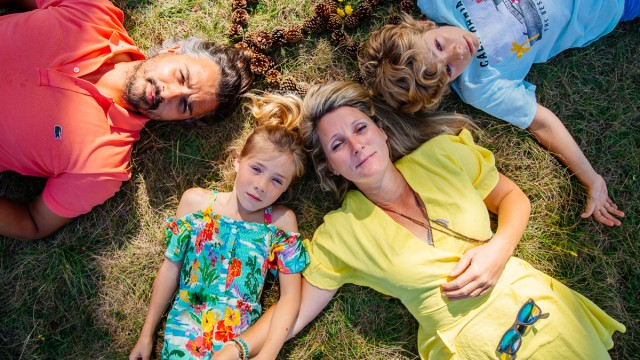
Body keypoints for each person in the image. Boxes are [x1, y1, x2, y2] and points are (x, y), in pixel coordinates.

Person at [237, 81, 625, 359]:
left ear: (381, 132)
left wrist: (498, 250)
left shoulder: (442, 155)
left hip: (540, 311)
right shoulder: (342, 234)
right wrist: (235, 351)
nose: (356, 145)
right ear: (333, 168)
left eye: (360, 128)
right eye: (338, 145)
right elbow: (294, 312)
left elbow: (511, 197)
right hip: (466, 346)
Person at [359, 0, 640, 227]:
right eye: (448, 70)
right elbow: (541, 123)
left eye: (438, 45)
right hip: (608, 7)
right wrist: (592, 179)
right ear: (443, 90)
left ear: (423, 25)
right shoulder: (480, 86)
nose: (458, 51)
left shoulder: (438, 3)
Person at [0, 0, 252, 240]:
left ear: (179, 120)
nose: (171, 93)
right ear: (170, 52)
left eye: (184, 105)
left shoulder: (102, 165)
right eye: (182, 77)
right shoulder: (93, 12)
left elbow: (34, 222)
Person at [129, 92, 309, 360]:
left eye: (277, 181)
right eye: (257, 169)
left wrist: (268, 354)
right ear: (238, 161)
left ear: (285, 189)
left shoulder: (280, 224)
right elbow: (170, 268)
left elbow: (291, 298)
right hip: (182, 342)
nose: (261, 186)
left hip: (238, 347)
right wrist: (146, 335)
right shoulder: (196, 204)